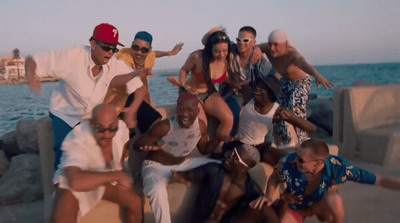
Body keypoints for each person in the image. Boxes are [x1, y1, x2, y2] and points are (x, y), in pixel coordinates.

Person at [25, 23, 149, 169]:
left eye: (114, 49)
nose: (110, 53)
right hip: (65, 113)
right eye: (106, 47)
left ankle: (110, 181)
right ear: (93, 43)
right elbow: (32, 60)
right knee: (65, 155)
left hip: (90, 117)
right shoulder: (73, 56)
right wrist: (31, 75)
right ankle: (60, 188)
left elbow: (139, 88)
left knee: (108, 148)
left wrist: (133, 109)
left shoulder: (114, 64)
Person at [252, 138, 400, 223]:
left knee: (335, 200)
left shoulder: (338, 167)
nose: (295, 160)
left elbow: (378, 180)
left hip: (321, 206)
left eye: (301, 160)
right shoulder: (288, 163)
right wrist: (268, 195)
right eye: (296, 156)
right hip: (297, 207)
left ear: (318, 164)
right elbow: (274, 178)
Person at [133, 93, 222, 223]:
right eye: (181, 110)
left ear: (197, 111)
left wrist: (219, 139)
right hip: (155, 167)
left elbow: (203, 150)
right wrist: (144, 145)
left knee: (219, 166)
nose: (185, 114)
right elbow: (137, 144)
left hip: (182, 165)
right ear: (176, 110)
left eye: (190, 110)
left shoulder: (201, 127)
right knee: (157, 190)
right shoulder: (164, 126)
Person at [51, 103, 143, 223]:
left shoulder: (121, 130)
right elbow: (75, 182)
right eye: (100, 128)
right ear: (91, 124)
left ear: (117, 122)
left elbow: (122, 153)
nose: (107, 134)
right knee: (65, 206)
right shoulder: (77, 137)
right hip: (75, 181)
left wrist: (120, 173)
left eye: (112, 128)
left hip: (106, 179)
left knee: (135, 202)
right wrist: (118, 175)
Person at [256, 30, 334, 144]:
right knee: (278, 110)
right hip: (285, 82)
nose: (272, 48)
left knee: (294, 107)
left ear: (285, 44)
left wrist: (317, 75)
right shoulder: (268, 48)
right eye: (270, 44)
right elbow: (255, 47)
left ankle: (303, 140)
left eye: (276, 45)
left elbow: (305, 65)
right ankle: (286, 141)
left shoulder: (292, 55)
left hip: (301, 82)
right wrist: (257, 51)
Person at [172, 144, 279, 223]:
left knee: (264, 208)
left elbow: (267, 213)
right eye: (233, 152)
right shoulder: (214, 170)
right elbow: (185, 175)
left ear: (244, 168)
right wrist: (179, 176)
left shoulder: (250, 189)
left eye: (236, 157)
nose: (230, 156)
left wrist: (282, 201)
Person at [167, 30, 234, 144]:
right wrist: (181, 81)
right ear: (210, 49)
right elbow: (184, 69)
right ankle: (202, 149)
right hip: (189, 92)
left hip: (209, 93)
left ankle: (218, 149)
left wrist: (237, 84)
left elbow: (225, 75)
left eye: (224, 51)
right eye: (217, 51)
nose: (221, 55)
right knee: (202, 124)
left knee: (228, 118)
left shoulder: (228, 59)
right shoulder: (197, 57)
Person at [220, 26, 275, 136]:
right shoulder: (230, 51)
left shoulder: (261, 62)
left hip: (252, 94)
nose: (241, 43)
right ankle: (228, 144)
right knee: (233, 114)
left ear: (253, 43)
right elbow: (216, 73)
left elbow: (271, 82)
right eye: (238, 40)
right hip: (232, 92)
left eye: (246, 40)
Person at [114, 31, 184, 104]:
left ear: (149, 50)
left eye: (144, 50)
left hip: (139, 100)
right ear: (131, 45)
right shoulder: (123, 59)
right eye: (135, 47)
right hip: (120, 101)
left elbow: (155, 53)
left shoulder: (149, 56)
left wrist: (169, 53)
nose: (139, 53)